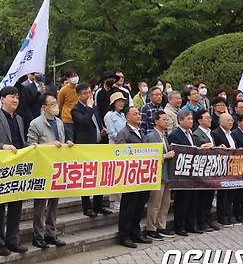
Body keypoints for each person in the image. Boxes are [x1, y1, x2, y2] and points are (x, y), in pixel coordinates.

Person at [0, 86, 29, 256]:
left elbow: (21, 142)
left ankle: (13, 240)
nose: (15, 100)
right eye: (12, 96)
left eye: (17, 97)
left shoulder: (19, 119)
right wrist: (4, 147)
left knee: (16, 206)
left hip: (18, 167)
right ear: (2, 99)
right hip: (2, 168)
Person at [27, 93, 72, 249]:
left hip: (57, 168)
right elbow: (31, 146)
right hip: (42, 168)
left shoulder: (59, 122)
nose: (55, 106)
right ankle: (38, 235)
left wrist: (67, 144)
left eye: (56, 103)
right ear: (44, 107)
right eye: (52, 104)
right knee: (40, 204)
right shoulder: (36, 123)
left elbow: (60, 141)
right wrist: (49, 145)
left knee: (54, 203)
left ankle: (50, 233)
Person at [114, 107, 153, 248]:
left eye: (139, 114)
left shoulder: (141, 132)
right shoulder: (123, 133)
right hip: (130, 176)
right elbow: (120, 153)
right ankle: (124, 235)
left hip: (142, 176)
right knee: (128, 207)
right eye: (135, 114)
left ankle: (135, 232)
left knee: (139, 206)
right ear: (127, 117)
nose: (138, 116)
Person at [71, 83, 111, 216]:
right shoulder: (75, 109)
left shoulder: (94, 106)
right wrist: (88, 107)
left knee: (99, 175)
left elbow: (96, 121)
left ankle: (98, 205)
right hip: (85, 146)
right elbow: (84, 122)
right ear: (78, 95)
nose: (88, 95)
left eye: (89, 92)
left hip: (98, 144)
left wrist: (101, 129)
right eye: (85, 93)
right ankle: (87, 207)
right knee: (87, 177)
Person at [143, 111, 175, 240]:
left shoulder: (164, 136)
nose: (166, 122)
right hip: (157, 174)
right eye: (164, 120)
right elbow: (148, 156)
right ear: (156, 121)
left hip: (166, 173)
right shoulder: (151, 136)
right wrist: (164, 156)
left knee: (165, 203)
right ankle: (151, 228)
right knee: (155, 203)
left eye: (167, 120)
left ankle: (161, 226)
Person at [167, 110, 199, 236]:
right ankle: (180, 226)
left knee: (193, 200)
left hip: (193, 173)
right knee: (182, 201)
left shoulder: (192, 134)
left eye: (191, 119)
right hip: (181, 174)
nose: (191, 121)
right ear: (180, 120)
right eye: (188, 119)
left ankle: (190, 224)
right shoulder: (175, 135)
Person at [191, 111, 221, 232]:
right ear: (199, 120)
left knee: (209, 197)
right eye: (207, 118)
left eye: (210, 118)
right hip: (202, 170)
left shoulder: (210, 133)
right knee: (202, 198)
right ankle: (201, 221)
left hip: (212, 169)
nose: (210, 120)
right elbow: (198, 148)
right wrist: (204, 146)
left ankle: (208, 220)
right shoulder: (196, 134)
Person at [211, 113, 238, 227]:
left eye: (231, 120)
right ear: (221, 121)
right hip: (222, 167)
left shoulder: (231, 134)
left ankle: (228, 214)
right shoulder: (216, 133)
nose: (231, 122)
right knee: (223, 193)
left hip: (234, 166)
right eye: (228, 120)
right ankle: (222, 216)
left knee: (231, 193)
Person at [57, 70, 80, 139]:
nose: (74, 78)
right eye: (72, 76)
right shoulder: (63, 90)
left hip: (79, 117)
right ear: (67, 79)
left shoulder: (80, 88)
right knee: (69, 140)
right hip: (67, 119)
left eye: (75, 76)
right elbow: (60, 104)